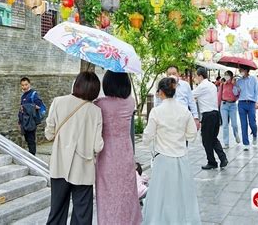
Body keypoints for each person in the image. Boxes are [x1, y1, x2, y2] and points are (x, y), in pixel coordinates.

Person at [45, 71, 104, 225]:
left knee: (57, 211)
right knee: (82, 214)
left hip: (60, 164)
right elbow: (98, 146)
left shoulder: (58, 102)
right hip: (83, 167)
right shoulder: (96, 111)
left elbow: (49, 135)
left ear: (77, 84)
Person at [142, 77, 201, 224]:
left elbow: (147, 137)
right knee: (181, 194)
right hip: (181, 157)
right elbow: (192, 135)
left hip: (163, 158)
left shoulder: (156, 112)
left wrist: (150, 139)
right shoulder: (184, 111)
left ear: (161, 92)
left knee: (161, 194)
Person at [94, 71, 141, 225]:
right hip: (125, 150)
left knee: (107, 192)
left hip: (107, 152)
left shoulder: (100, 104)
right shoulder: (130, 102)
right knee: (126, 191)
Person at [193, 67, 228, 169]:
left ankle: (212, 162)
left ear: (200, 76)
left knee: (206, 140)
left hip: (208, 116)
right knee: (213, 138)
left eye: (196, 76)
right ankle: (222, 158)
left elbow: (190, 95)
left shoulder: (202, 86)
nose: (195, 78)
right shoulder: (211, 85)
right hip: (216, 114)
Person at [154, 65, 200, 129]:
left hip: (183, 118)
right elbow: (157, 103)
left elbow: (191, 102)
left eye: (174, 73)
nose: (171, 76)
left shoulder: (185, 85)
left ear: (178, 74)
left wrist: (196, 118)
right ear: (166, 75)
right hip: (168, 120)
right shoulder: (163, 86)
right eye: (169, 74)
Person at [234, 66, 258, 150]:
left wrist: (257, 102)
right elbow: (235, 93)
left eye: (241, 69)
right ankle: (246, 143)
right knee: (243, 124)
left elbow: (257, 91)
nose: (240, 71)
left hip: (251, 103)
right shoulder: (239, 81)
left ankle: (255, 135)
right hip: (241, 103)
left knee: (252, 123)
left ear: (246, 70)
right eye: (239, 70)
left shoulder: (253, 79)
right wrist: (234, 84)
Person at [18, 77, 45, 155]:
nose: (24, 87)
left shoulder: (33, 94)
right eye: (22, 85)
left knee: (31, 139)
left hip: (31, 121)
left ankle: (32, 157)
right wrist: (19, 122)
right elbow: (21, 109)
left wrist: (26, 107)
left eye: (26, 84)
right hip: (24, 121)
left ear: (29, 84)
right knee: (27, 139)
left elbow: (39, 106)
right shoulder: (23, 95)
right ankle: (31, 154)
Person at [217, 70, 240, 148]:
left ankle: (236, 134)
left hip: (233, 105)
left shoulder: (234, 84)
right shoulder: (222, 84)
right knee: (225, 125)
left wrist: (235, 85)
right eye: (225, 75)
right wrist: (218, 105)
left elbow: (237, 94)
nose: (226, 76)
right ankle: (226, 143)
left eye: (227, 75)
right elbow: (219, 95)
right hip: (224, 105)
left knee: (234, 124)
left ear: (231, 76)